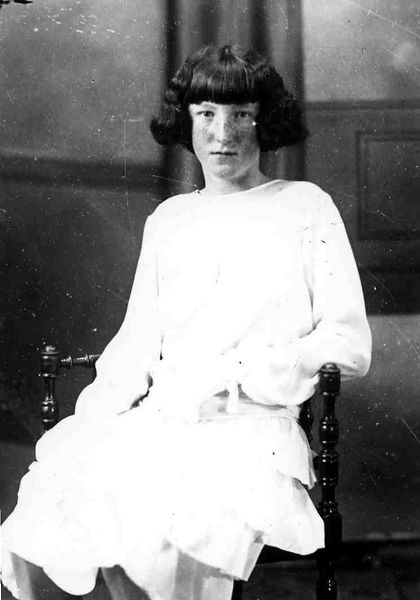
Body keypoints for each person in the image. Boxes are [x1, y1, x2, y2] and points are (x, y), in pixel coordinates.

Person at [1, 45, 372, 600]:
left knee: (159, 540)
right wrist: (89, 423)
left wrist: (240, 370)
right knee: (52, 509)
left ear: (265, 121)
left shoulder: (305, 207)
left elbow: (348, 343)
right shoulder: (170, 219)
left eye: (242, 114)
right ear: (187, 121)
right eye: (207, 114)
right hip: (162, 424)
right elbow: (137, 343)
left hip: (251, 433)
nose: (223, 134)